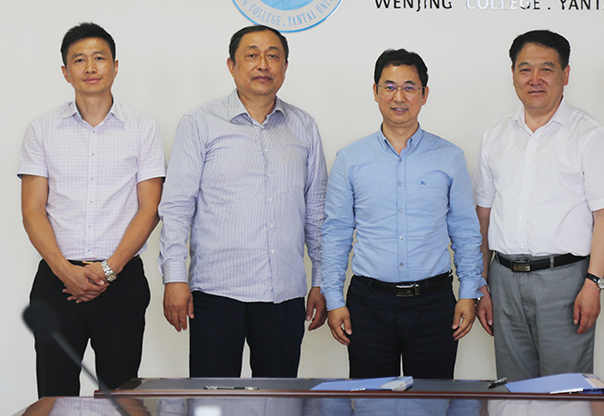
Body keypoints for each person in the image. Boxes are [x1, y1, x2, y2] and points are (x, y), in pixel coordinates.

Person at [158, 24, 327, 378]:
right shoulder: (201, 123)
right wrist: (174, 278)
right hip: (217, 293)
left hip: (283, 293)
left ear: (285, 66)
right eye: (252, 55)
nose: (263, 64)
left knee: (280, 399)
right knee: (212, 400)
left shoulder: (304, 127)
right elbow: (176, 207)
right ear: (232, 66)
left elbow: (316, 214)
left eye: (273, 56)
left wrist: (321, 281)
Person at [473, 30, 604, 382]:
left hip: (566, 282)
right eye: (525, 69)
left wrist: (593, 283)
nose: (535, 79)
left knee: (565, 391)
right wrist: (481, 284)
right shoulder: (495, 135)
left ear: (565, 75)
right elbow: (483, 216)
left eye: (546, 69)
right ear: (513, 74)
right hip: (504, 280)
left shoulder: (588, 134)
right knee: (515, 391)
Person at [321, 49, 486, 379]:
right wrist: (334, 299)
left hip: (433, 304)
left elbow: (466, 232)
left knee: (431, 400)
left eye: (409, 87)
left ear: (424, 94)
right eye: (389, 87)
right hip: (368, 304)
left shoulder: (449, 157)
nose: (399, 97)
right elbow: (336, 234)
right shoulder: (350, 158)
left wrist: (469, 292)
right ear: (375, 91)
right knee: (370, 401)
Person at [19, 22, 165, 396]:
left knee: (120, 396)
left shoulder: (143, 128)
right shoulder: (42, 129)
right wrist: (64, 270)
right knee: (55, 395)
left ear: (115, 67)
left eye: (99, 58)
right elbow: (33, 209)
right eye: (79, 60)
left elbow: (150, 209)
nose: (90, 67)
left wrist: (109, 269)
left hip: (121, 281)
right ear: (65, 72)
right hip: (57, 281)